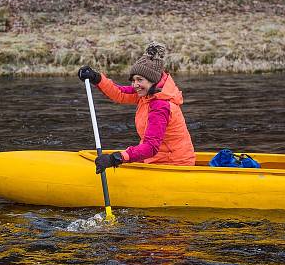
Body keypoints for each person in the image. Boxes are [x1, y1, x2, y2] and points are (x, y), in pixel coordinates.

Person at [77, 42, 196, 174]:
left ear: (153, 81)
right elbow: (119, 93)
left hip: (173, 165)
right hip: (154, 159)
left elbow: (150, 147)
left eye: (140, 80)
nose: (135, 85)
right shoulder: (146, 94)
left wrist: (116, 158)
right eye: (133, 80)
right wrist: (96, 78)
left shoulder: (160, 106)